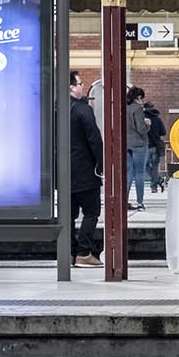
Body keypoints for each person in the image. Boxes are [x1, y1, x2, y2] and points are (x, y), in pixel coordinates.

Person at [68, 70, 105, 269]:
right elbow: (94, 139)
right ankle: (84, 253)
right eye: (80, 84)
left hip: (65, 173)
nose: (83, 87)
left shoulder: (56, 108)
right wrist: (101, 164)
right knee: (91, 212)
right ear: (71, 87)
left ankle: (68, 252)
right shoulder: (83, 110)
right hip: (84, 170)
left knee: (69, 214)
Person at [125, 86, 151, 211]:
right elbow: (141, 129)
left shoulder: (125, 108)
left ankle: (124, 201)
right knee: (139, 173)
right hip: (139, 145)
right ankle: (140, 202)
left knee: (128, 173)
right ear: (139, 97)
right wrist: (147, 125)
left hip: (127, 144)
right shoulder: (138, 109)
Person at [144, 98, 167, 192]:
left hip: (146, 146)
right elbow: (163, 132)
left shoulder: (143, 119)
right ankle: (154, 186)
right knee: (155, 167)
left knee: (144, 165)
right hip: (156, 146)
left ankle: (158, 180)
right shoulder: (158, 119)